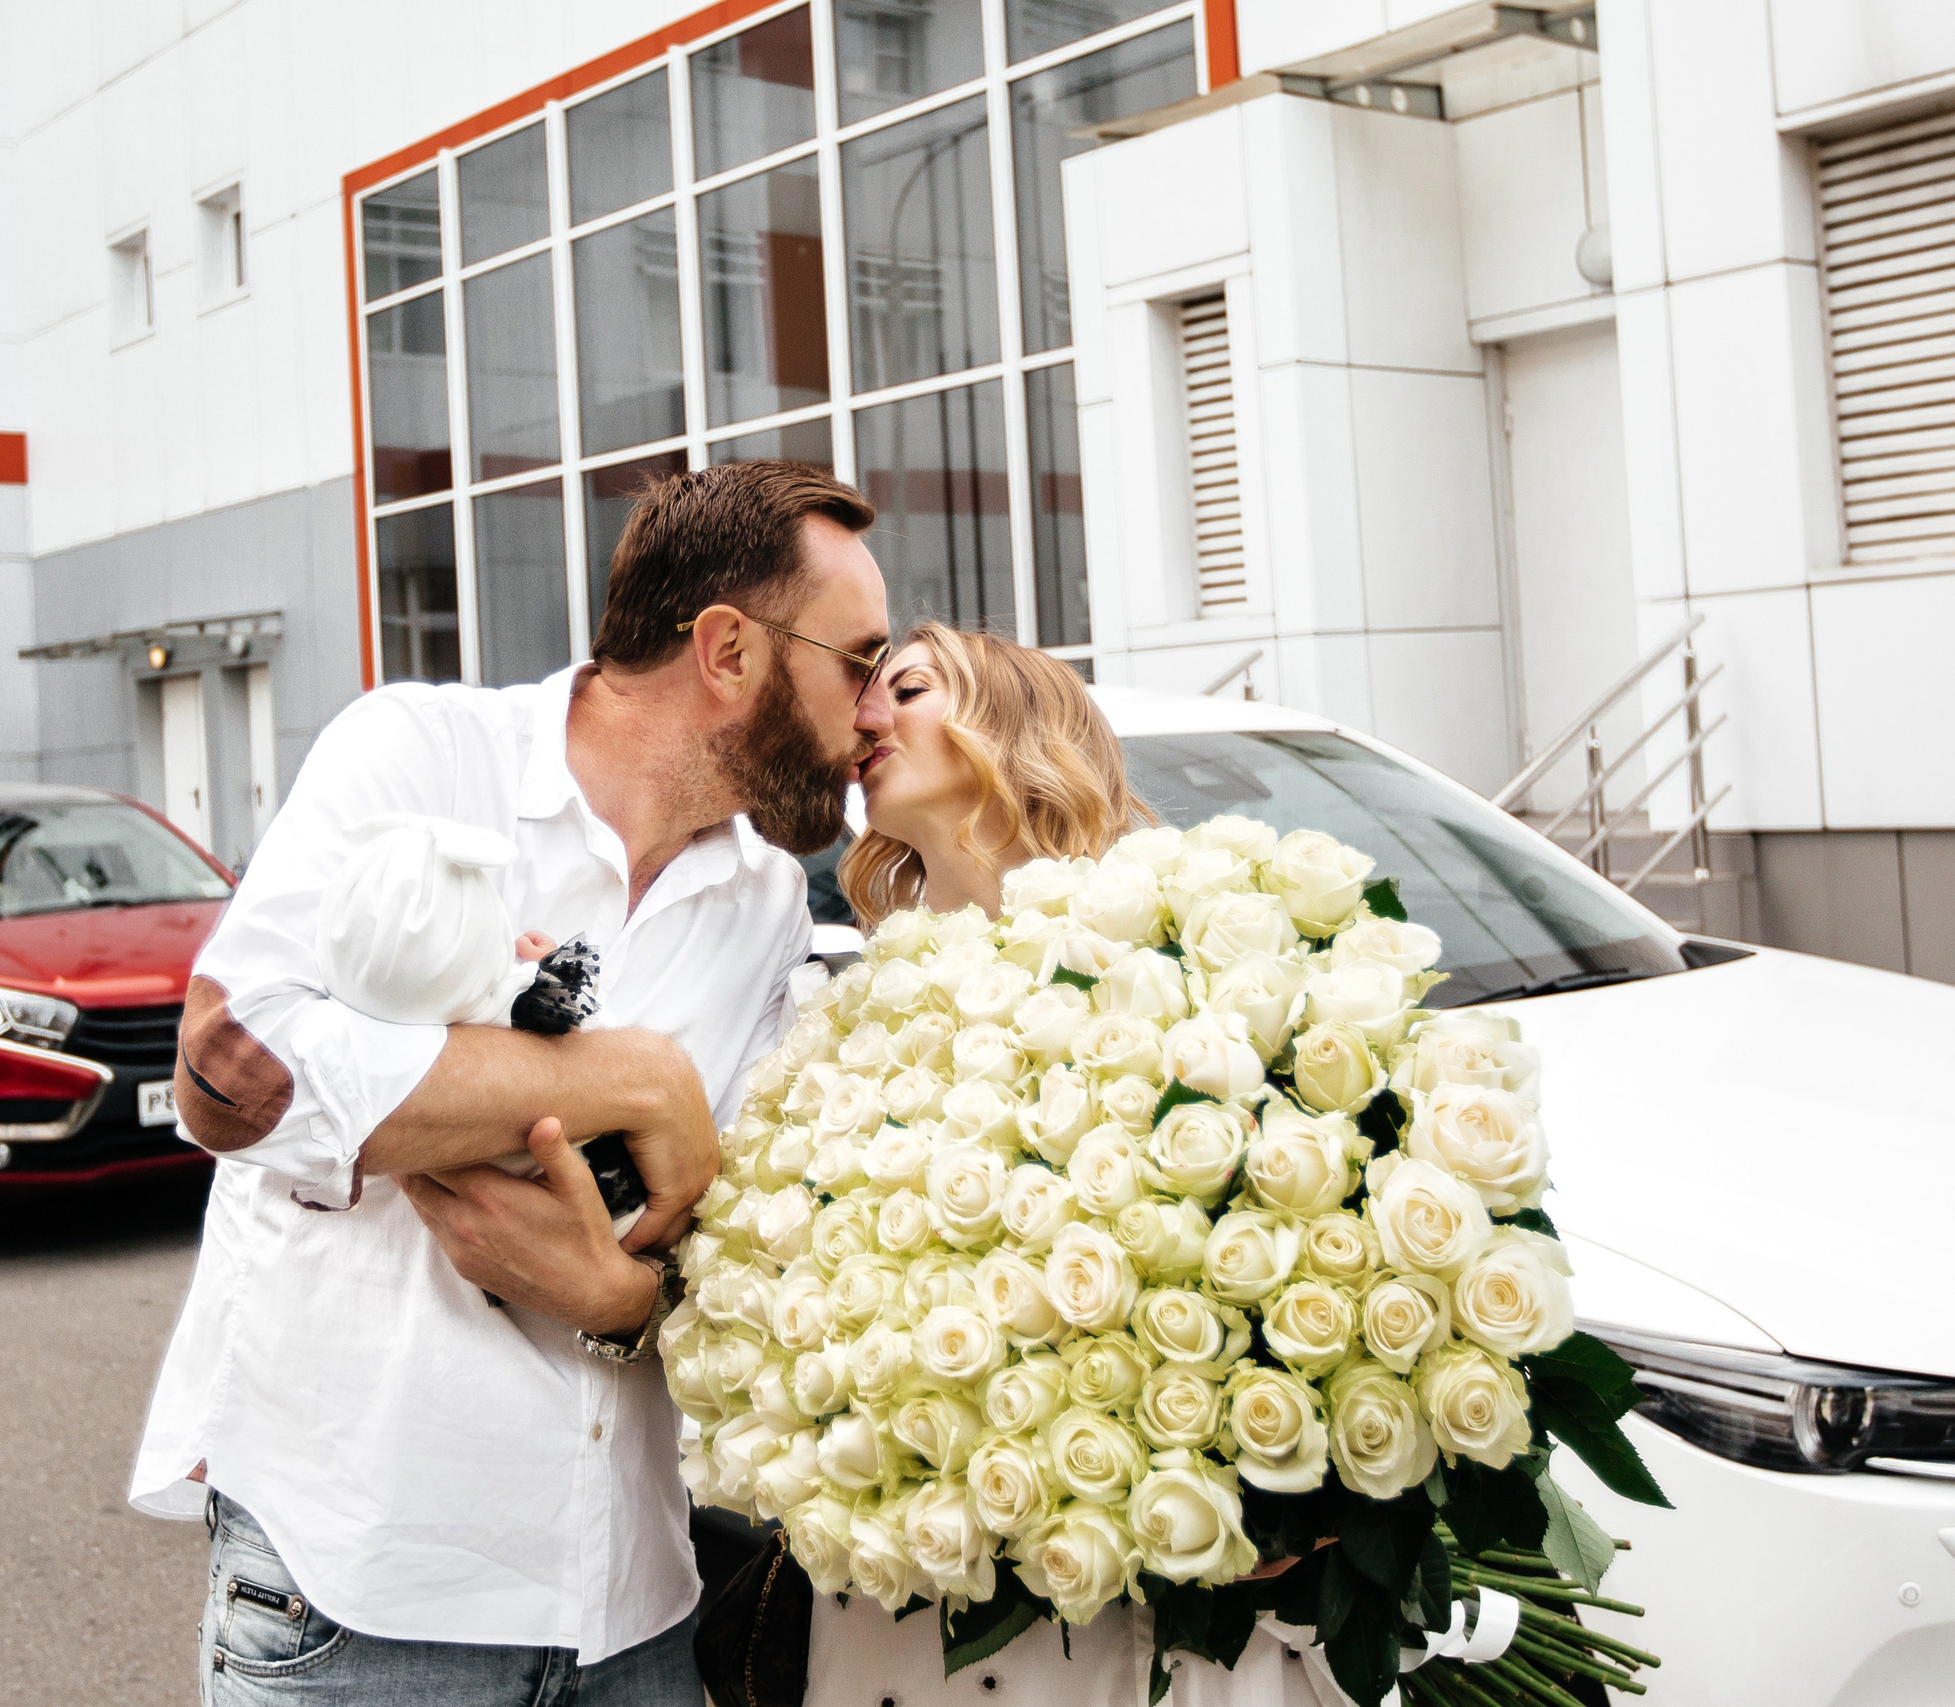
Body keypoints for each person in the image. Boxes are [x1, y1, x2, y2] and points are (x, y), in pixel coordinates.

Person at [132, 460, 898, 1706]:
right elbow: (230, 1073)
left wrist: (624, 1301)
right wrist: (627, 1077)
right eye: (857, 660)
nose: (873, 707)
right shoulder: (420, 757)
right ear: (726, 650)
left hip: (638, 1610)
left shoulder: (764, 903)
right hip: (362, 1605)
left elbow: (719, 1231)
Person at [809, 623, 1326, 1707]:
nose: (864, 717)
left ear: (1009, 721)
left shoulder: (1170, 954)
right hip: (924, 1573)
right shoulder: (856, 1008)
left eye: (902, 688)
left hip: (1139, 1590)